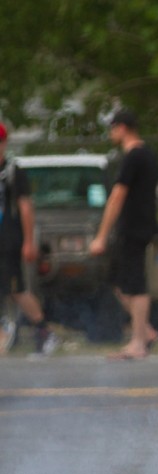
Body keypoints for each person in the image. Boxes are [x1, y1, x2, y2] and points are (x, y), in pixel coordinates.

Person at [88, 109, 158, 360]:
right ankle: (146, 330)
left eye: (112, 128)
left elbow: (117, 195)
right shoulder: (148, 155)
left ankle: (138, 343)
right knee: (118, 280)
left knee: (135, 283)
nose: (111, 134)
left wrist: (101, 235)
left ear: (122, 128)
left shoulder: (134, 156)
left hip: (134, 228)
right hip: (140, 226)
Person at [0, 122, 58, 355]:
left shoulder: (14, 172)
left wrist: (28, 241)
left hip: (8, 240)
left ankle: (44, 331)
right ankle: (7, 332)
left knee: (17, 289)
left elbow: (25, 207)